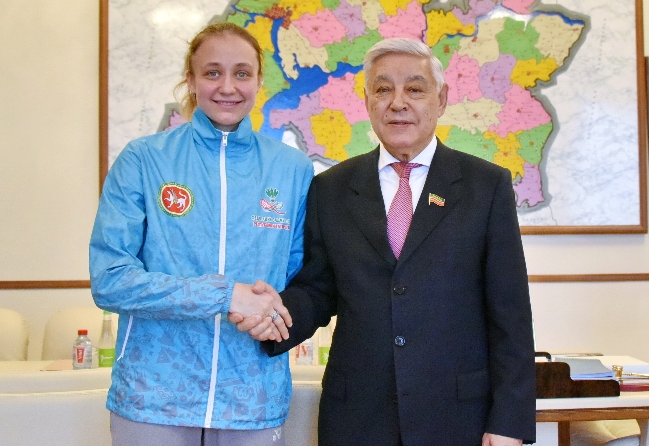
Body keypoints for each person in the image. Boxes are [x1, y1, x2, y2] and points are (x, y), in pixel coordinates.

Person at [233, 38, 536, 445]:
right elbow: (319, 290)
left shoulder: (486, 186)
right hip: (357, 417)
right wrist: (273, 316)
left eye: (415, 89)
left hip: (456, 417)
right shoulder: (332, 188)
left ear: (441, 99)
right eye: (383, 89)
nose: (398, 103)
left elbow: (510, 315)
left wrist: (508, 423)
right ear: (367, 101)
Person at [89, 22, 313, 446]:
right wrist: (225, 296)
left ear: (259, 82)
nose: (227, 87)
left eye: (242, 73)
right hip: (153, 399)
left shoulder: (292, 169)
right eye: (212, 72)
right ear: (190, 80)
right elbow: (110, 280)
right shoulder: (144, 160)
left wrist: (276, 312)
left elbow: (302, 280)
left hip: (252, 399)